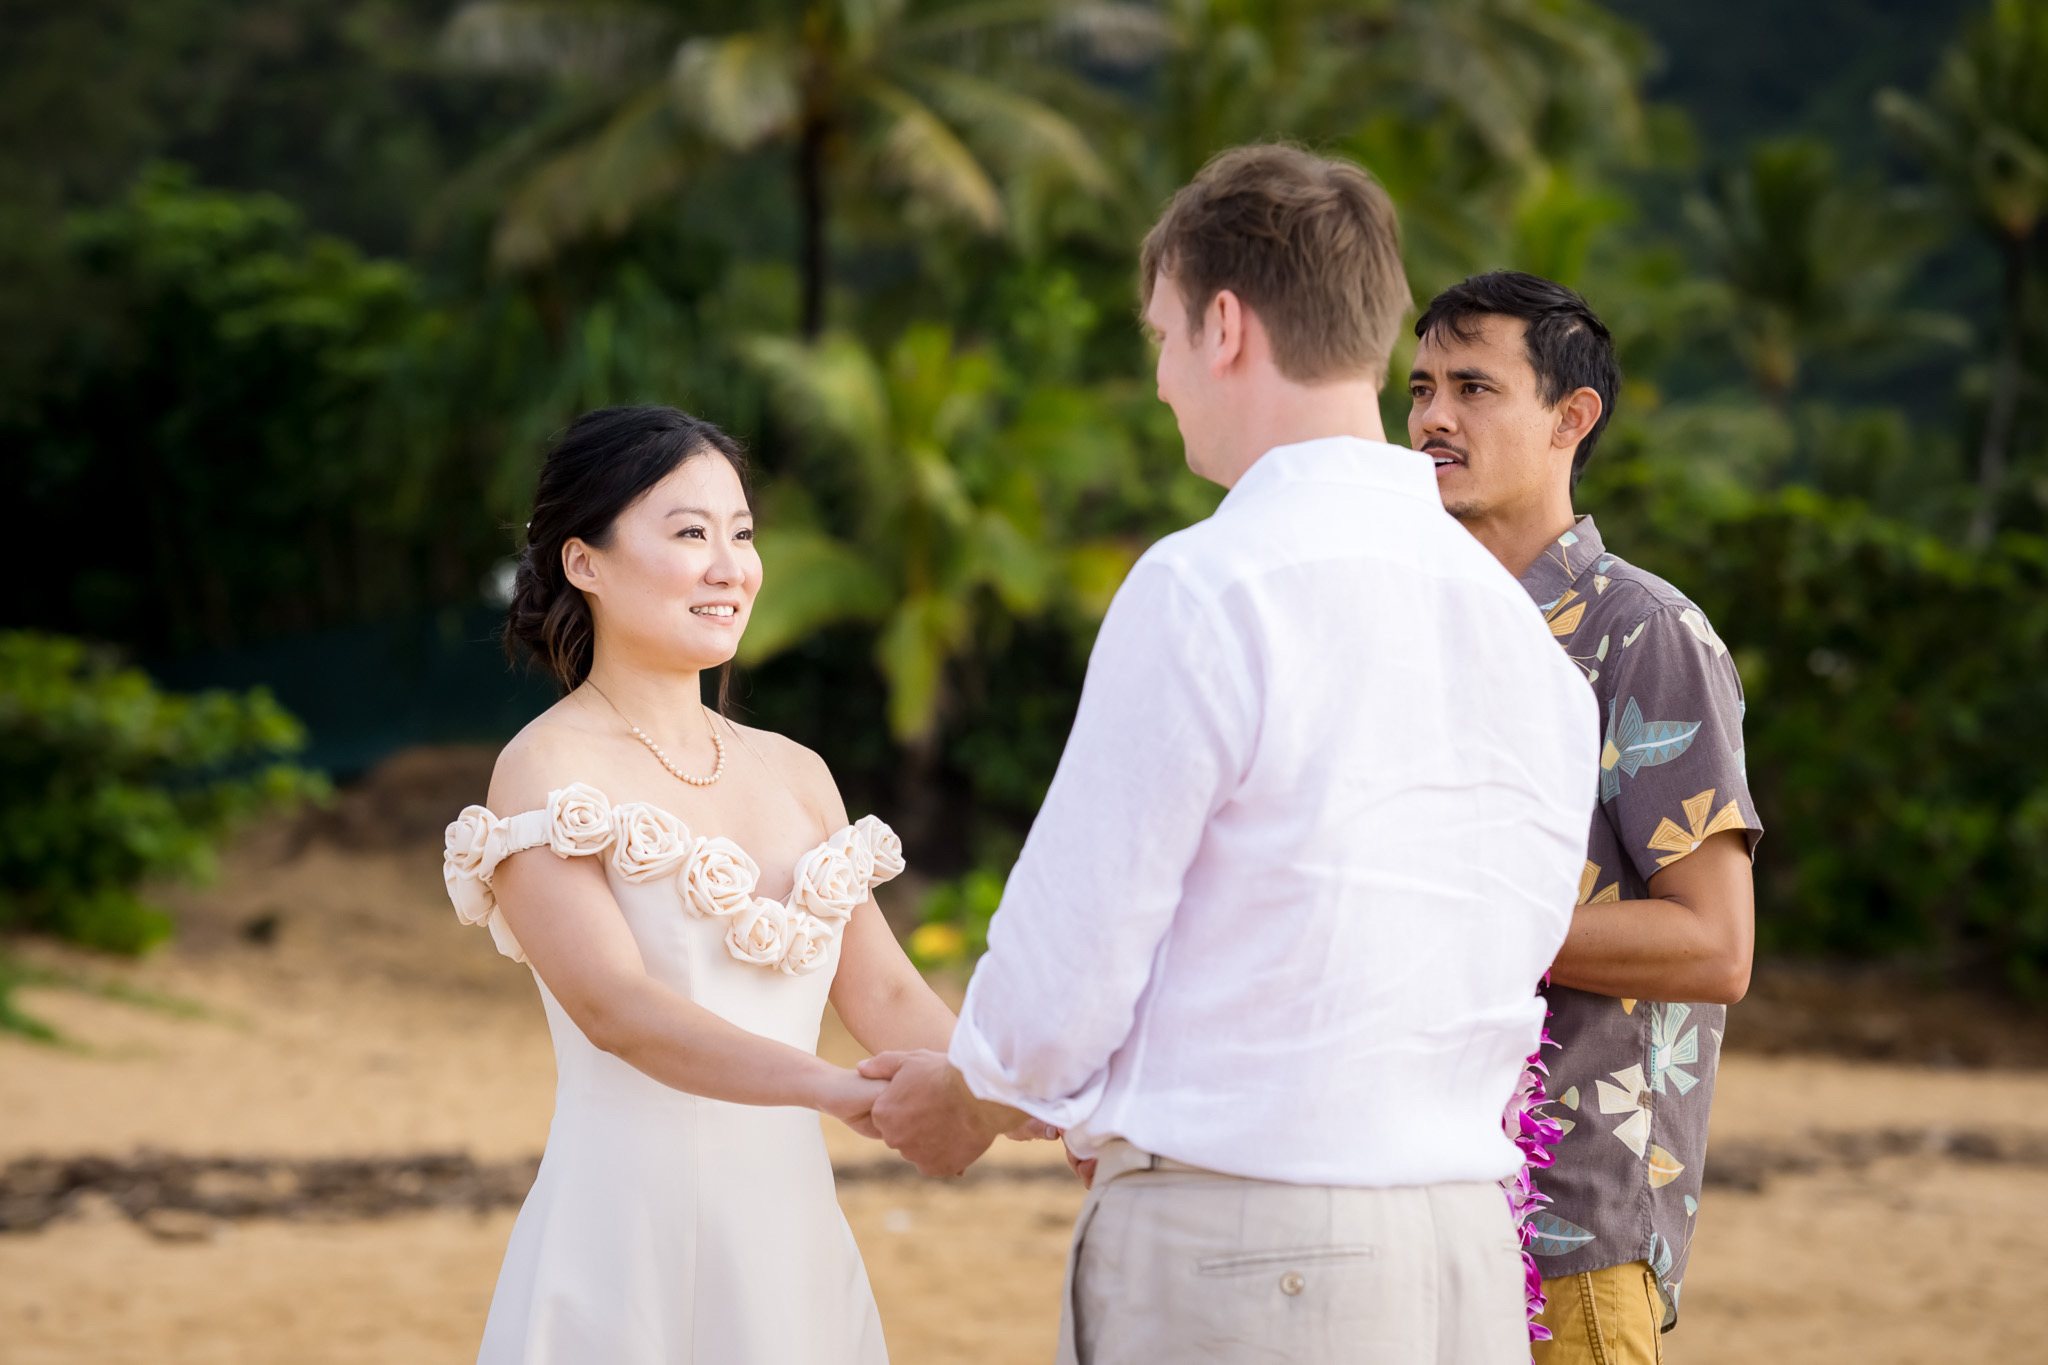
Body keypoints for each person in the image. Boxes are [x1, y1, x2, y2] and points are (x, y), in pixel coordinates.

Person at [858, 144, 1600, 1365]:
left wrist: (974, 1096)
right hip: (1465, 1255)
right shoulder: (1519, 638)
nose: (1158, 380)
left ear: (1221, 323)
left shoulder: (1209, 584)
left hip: (1246, 1242)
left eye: (1157, 336)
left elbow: (1075, 945)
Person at [440, 405, 982, 1364]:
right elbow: (619, 1007)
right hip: (624, 1244)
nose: (730, 566)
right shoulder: (547, 771)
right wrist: (831, 1089)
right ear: (584, 563)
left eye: (741, 533)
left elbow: (888, 993)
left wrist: (1023, 1097)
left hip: (794, 1245)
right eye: (690, 533)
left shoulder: (797, 770)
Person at [1406, 271, 1764, 1362]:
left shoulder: (1642, 633)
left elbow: (1713, 945)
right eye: (1418, 388)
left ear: (1571, 419)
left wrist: (1437, 926)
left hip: (1570, 1223)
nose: (1430, 418)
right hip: (1404, 1194)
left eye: (1473, 388)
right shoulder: (1405, 625)